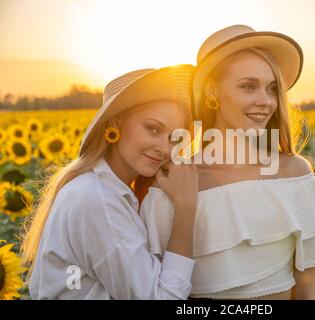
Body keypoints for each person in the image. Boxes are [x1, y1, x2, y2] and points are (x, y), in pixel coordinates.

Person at [139, 25, 315, 299]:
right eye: (248, 87)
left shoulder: (294, 175)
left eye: (272, 89)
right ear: (212, 92)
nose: (265, 101)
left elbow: (307, 290)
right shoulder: (173, 183)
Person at [20, 65, 199, 299]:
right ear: (115, 123)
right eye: (153, 128)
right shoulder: (97, 199)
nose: (165, 148)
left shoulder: (101, 189)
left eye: (175, 138)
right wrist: (186, 208)